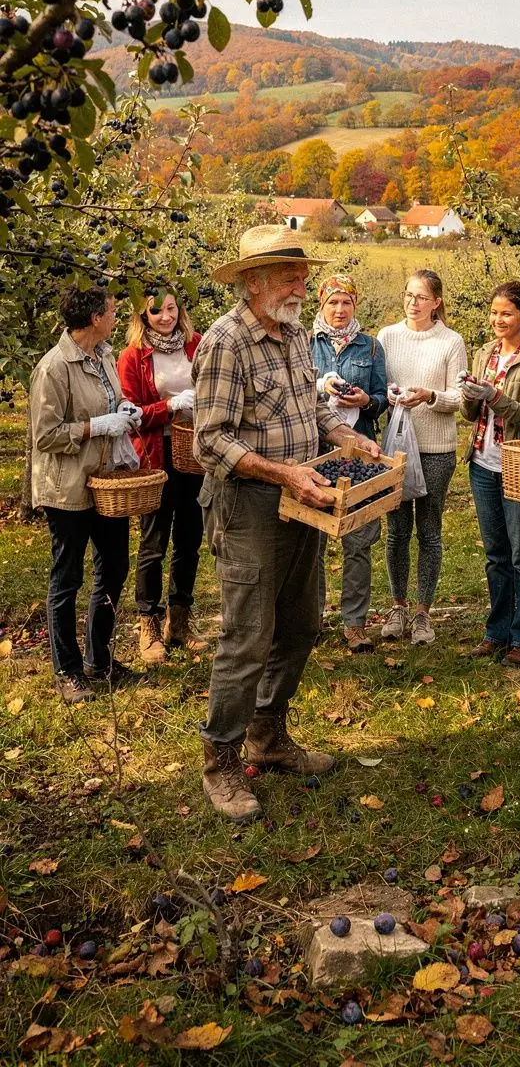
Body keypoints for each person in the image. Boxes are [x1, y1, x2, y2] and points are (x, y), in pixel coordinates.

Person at [192, 225, 380, 823]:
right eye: (289, 276)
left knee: (300, 624)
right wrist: (283, 473)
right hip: (248, 504)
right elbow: (209, 441)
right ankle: (220, 762)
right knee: (247, 635)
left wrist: (344, 433)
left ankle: (268, 736)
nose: (302, 286)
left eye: (303, 275)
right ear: (253, 282)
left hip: (305, 497)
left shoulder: (297, 335)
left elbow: (311, 407)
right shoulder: (225, 342)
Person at [30, 285, 141, 703]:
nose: (116, 317)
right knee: (67, 577)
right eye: (112, 311)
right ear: (95, 318)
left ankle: (100, 657)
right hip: (68, 487)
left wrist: (124, 411)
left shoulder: (105, 355)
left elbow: (113, 398)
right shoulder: (55, 367)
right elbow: (45, 435)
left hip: (106, 481)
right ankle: (68, 670)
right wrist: (95, 427)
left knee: (114, 566)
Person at [461, 281, 520, 666]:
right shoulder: (485, 352)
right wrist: (469, 395)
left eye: (507, 313)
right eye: (494, 312)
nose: (498, 319)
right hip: (483, 462)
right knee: (496, 553)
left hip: (519, 465)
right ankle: (496, 631)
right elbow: (470, 415)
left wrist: (493, 396)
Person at [377, 270, 468, 646]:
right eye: (409, 294)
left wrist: (429, 396)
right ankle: (398, 605)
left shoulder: (451, 342)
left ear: (436, 302)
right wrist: (391, 393)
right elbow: (376, 387)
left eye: (421, 297)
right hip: (396, 449)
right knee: (397, 531)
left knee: (429, 531)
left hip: (435, 450)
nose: (413, 302)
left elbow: (460, 399)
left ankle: (423, 613)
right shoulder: (387, 336)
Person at [117, 289, 202, 663]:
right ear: (143, 314)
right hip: (155, 455)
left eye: (171, 308)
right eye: (157, 311)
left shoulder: (195, 344)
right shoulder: (133, 356)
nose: (166, 317)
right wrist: (168, 406)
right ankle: (148, 623)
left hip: (193, 450)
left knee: (190, 537)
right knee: (154, 540)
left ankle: (179, 620)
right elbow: (130, 413)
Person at [310, 273, 388, 653]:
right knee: (315, 539)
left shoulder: (371, 347)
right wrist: (320, 387)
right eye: (332, 303)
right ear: (321, 305)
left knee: (359, 539)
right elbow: (294, 391)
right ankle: (313, 616)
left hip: (361, 450)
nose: (340, 310)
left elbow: (380, 397)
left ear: (355, 305)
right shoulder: (304, 343)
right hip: (317, 451)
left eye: (346, 303)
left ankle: (355, 623)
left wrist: (365, 401)